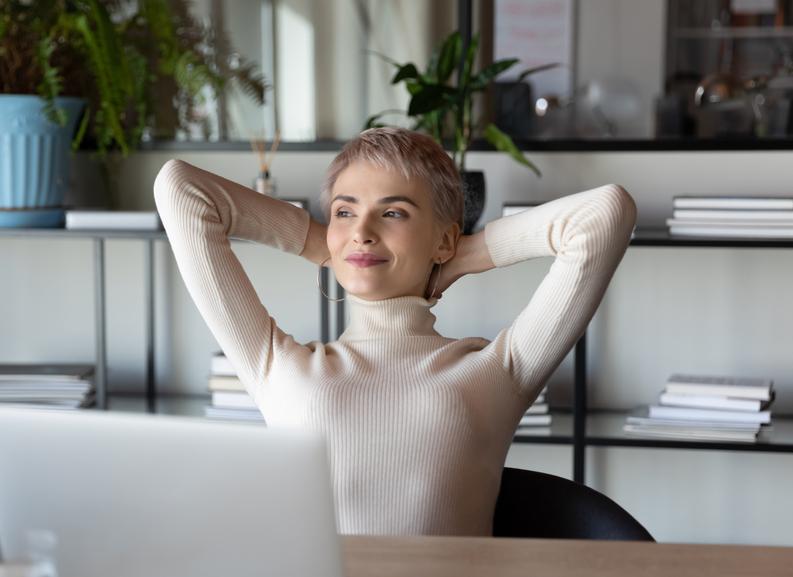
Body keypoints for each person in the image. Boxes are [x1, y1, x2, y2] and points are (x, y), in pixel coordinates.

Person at [153, 127, 636, 536]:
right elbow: (180, 189)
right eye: (345, 211)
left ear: (444, 237)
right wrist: (327, 245)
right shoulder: (277, 365)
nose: (362, 229)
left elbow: (604, 214)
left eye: (393, 212)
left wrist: (461, 256)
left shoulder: (497, 371)